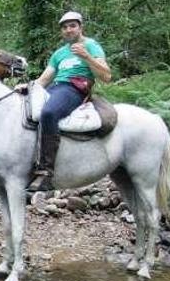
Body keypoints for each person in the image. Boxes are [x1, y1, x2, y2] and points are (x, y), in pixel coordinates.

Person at [21, 11, 111, 192]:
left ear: (80, 27)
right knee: (25, 107)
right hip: (55, 87)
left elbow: (106, 76)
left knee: (49, 112)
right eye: (64, 27)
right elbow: (44, 80)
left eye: (72, 26)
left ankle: (45, 173)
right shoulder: (59, 53)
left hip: (75, 88)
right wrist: (28, 87)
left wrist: (87, 57)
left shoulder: (91, 46)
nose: (68, 30)